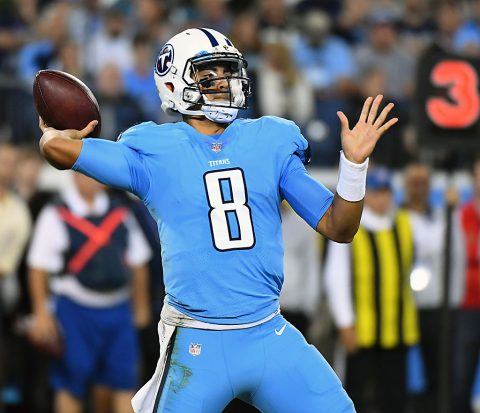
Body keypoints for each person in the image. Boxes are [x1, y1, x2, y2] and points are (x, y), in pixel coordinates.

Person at [37, 27, 398, 413]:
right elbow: (60, 148)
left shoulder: (270, 138)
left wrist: (354, 166)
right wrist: (50, 138)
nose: (224, 82)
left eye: (228, 71)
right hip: (198, 341)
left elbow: (338, 227)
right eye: (209, 75)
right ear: (175, 85)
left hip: (267, 332)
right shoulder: (155, 149)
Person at [27, 172, 152, 413]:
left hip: (118, 309)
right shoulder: (57, 212)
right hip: (75, 310)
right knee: (70, 383)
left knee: (123, 381)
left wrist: (141, 305)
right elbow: (38, 266)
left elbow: (139, 262)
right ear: (75, 178)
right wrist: (42, 312)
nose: (93, 180)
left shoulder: (121, 212)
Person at [324, 167, 420, 413]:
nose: (382, 199)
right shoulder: (353, 227)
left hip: (397, 328)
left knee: (395, 396)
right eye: (377, 193)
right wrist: (345, 322)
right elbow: (336, 277)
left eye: (386, 192)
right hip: (363, 330)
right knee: (358, 395)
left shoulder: (403, 224)